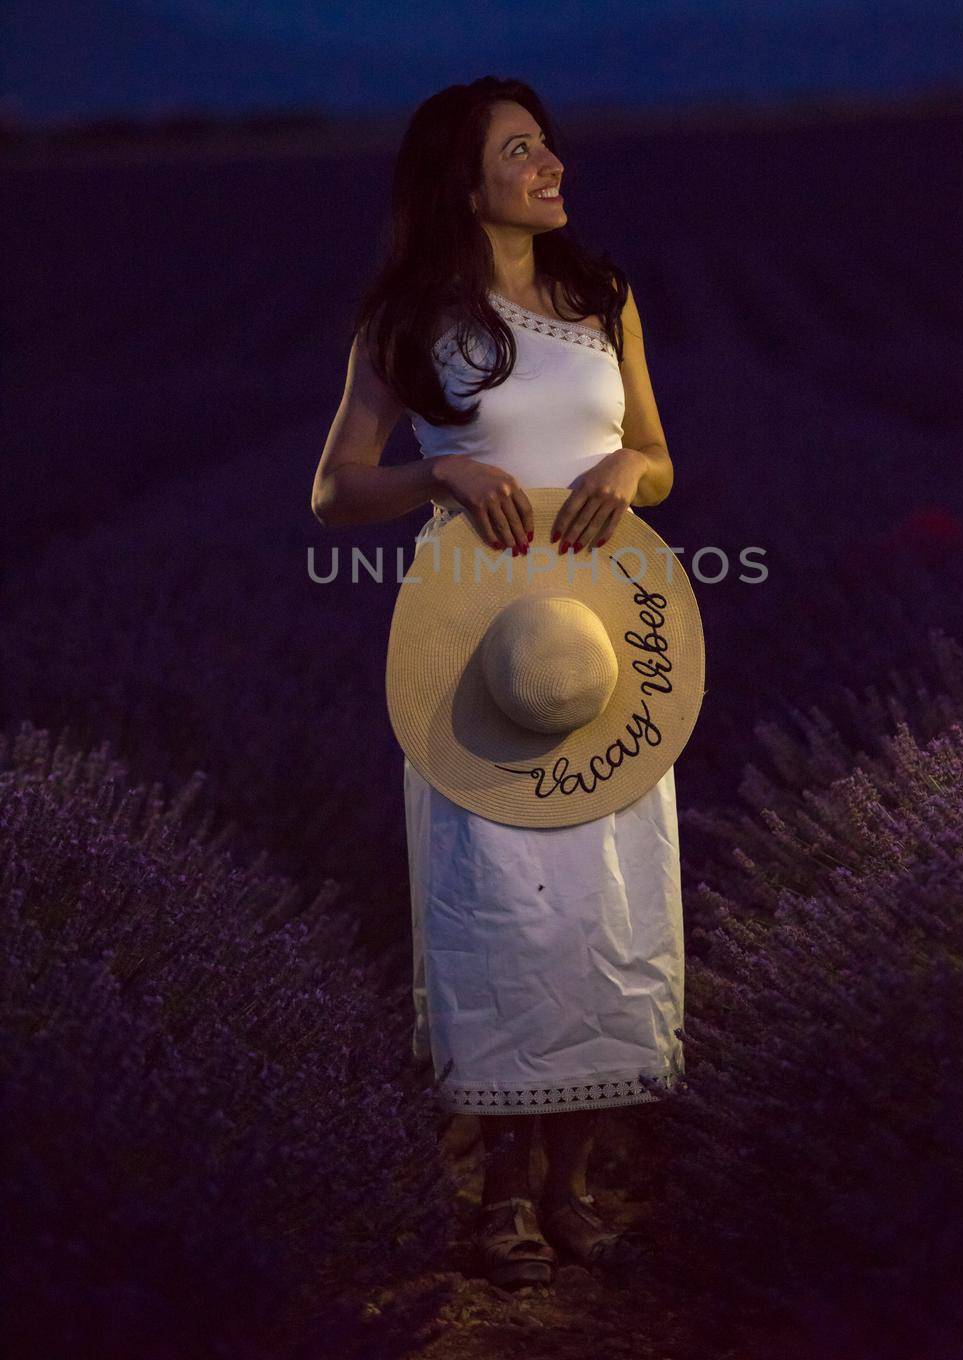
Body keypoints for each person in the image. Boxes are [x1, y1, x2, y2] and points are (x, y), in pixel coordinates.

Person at [311, 77, 685, 1289]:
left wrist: (632, 462)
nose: (550, 163)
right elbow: (333, 491)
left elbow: (663, 461)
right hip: (480, 651)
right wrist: (439, 477)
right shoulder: (412, 319)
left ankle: (574, 1188)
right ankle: (500, 1193)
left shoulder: (602, 295)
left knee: (601, 910)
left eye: (547, 144)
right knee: (504, 912)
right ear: (462, 184)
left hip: (599, 653)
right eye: (519, 151)